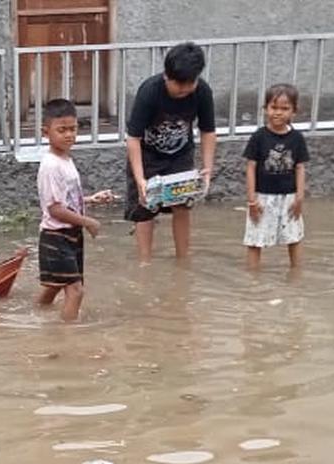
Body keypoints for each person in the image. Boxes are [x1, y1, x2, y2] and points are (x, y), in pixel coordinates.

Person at [125, 41, 216, 263]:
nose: (184, 90)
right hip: (147, 156)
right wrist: (140, 179)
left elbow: (208, 132)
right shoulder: (150, 91)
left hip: (180, 155)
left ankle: (183, 259)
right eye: (179, 85)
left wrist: (207, 169)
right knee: (145, 209)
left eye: (190, 84)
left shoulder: (202, 92)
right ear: (167, 76)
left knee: (182, 206)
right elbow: (133, 138)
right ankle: (144, 262)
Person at [36, 99, 114, 322]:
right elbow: (55, 210)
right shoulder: (51, 165)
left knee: (56, 285)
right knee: (76, 291)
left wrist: (90, 199)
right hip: (57, 236)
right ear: (46, 132)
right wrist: (87, 221)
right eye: (62, 130)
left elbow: (64, 200)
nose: (69, 135)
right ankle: (66, 337)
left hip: (68, 235)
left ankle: (37, 316)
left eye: (73, 129)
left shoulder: (65, 160)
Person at [244, 83, 309, 270]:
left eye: (284, 108)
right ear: (265, 109)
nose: (278, 113)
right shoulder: (259, 137)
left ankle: (296, 275)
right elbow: (250, 167)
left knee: (294, 237)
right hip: (262, 197)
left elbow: (300, 167)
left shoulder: (297, 138)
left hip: (289, 197)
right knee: (255, 239)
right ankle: (253, 279)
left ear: (294, 112)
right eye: (273, 107)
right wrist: (251, 200)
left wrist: (299, 197)